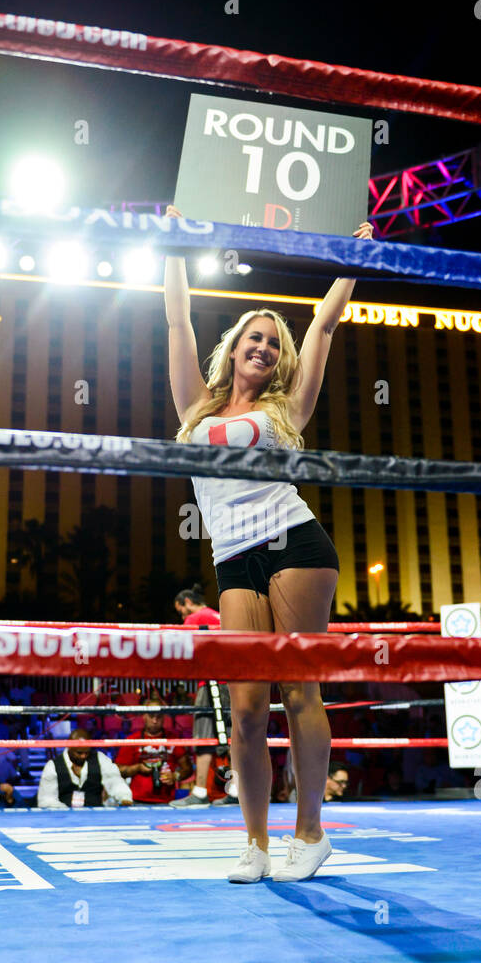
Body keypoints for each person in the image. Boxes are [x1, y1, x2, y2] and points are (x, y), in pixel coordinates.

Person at [164, 206, 374, 880]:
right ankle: (253, 843)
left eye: (272, 343)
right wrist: (173, 247)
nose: (263, 347)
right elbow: (175, 321)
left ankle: (309, 833)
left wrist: (351, 257)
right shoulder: (195, 408)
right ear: (231, 346)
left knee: (298, 691)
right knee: (246, 708)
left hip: (293, 544)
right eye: (253, 337)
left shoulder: (287, 410)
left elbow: (324, 324)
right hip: (231, 558)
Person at [173, 585, 233, 805]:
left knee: (204, 733)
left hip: (210, 682)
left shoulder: (195, 618)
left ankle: (199, 792)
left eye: (181, 611)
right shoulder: (221, 616)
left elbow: (184, 651)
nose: (182, 617)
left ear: (188, 602)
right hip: (232, 681)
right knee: (233, 735)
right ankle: (235, 791)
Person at [37, 728, 133, 809]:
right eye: (79, 753)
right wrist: (68, 812)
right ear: (69, 747)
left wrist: (125, 797)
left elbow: (115, 781)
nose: (83, 756)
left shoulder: (100, 759)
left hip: (96, 817)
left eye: (87, 752)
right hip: (63, 818)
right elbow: (46, 800)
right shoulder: (52, 766)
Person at [115, 706, 193, 804]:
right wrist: (137, 768)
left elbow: (188, 768)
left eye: (158, 717)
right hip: (137, 800)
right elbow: (117, 770)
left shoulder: (172, 739)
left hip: (167, 801)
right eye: (151, 716)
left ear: (164, 718)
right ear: (144, 717)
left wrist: (175, 776)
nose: (155, 721)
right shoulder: (133, 740)